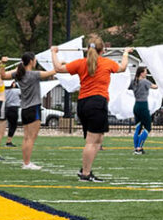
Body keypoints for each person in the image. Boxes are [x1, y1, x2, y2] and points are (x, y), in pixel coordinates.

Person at [51, 38, 131, 182]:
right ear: (103, 50)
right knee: (92, 141)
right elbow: (123, 67)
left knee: (97, 139)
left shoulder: (81, 63)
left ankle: (85, 170)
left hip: (83, 103)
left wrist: (54, 53)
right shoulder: (106, 63)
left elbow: (58, 68)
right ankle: (85, 174)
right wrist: (125, 53)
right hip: (97, 103)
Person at [12, 51, 59, 170]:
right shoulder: (34, 74)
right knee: (31, 138)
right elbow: (53, 71)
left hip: (24, 109)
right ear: (31, 61)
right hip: (34, 108)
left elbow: (2, 75)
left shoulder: (18, 74)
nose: (36, 61)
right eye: (35, 60)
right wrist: (60, 62)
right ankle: (27, 163)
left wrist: (2, 64)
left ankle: (26, 162)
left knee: (26, 137)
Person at [132, 65, 158, 155]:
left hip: (136, 105)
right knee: (147, 127)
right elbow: (155, 87)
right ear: (142, 73)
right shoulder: (144, 81)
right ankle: (139, 148)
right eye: (145, 71)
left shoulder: (134, 81)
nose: (146, 73)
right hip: (143, 105)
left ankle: (136, 147)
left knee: (138, 128)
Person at [4, 81, 20, 147]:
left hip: (6, 108)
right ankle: (9, 141)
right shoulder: (16, 91)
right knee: (13, 125)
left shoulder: (4, 91)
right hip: (13, 109)